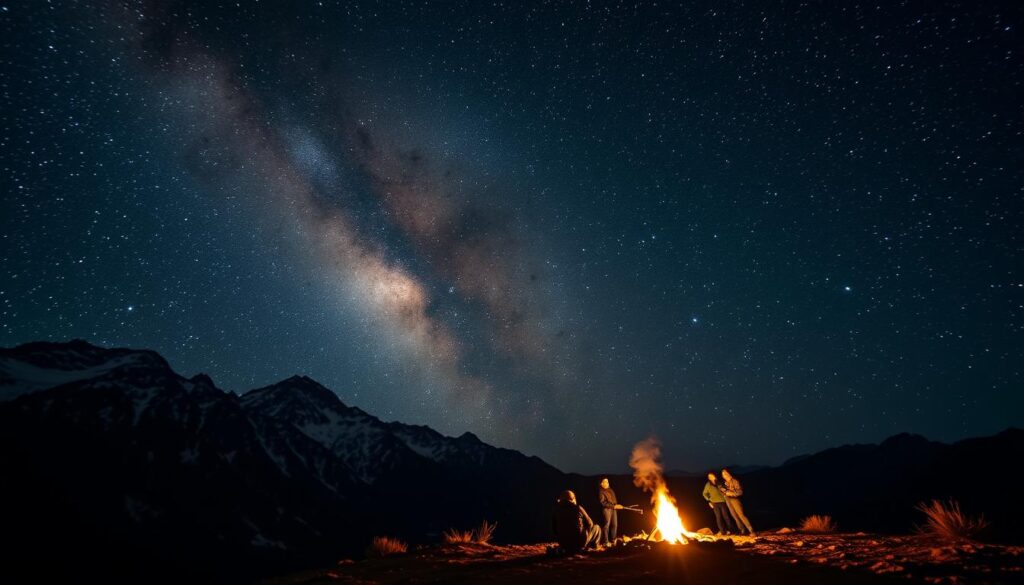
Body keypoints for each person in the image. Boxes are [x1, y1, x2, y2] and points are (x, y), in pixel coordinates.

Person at [721, 468, 755, 536]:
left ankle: (751, 530)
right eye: (723, 474)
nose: (724, 475)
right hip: (728, 500)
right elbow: (725, 492)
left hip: (735, 499)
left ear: (729, 473)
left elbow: (740, 492)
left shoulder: (735, 481)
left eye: (725, 473)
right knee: (734, 516)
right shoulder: (725, 483)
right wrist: (723, 492)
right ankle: (742, 530)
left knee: (741, 515)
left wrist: (729, 492)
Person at [598, 478, 624, 545]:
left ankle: (613, 540)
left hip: (613, 510)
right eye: (605, 482)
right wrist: (614, 506)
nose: (607, 483)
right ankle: (605, 542)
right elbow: (603, 503)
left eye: (607, 481)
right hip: (607, 510)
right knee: (606, 525)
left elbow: (614, 500)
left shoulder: (610, 490)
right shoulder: (601, 492)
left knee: (615, 525)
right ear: (601, 483)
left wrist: (617, 505)